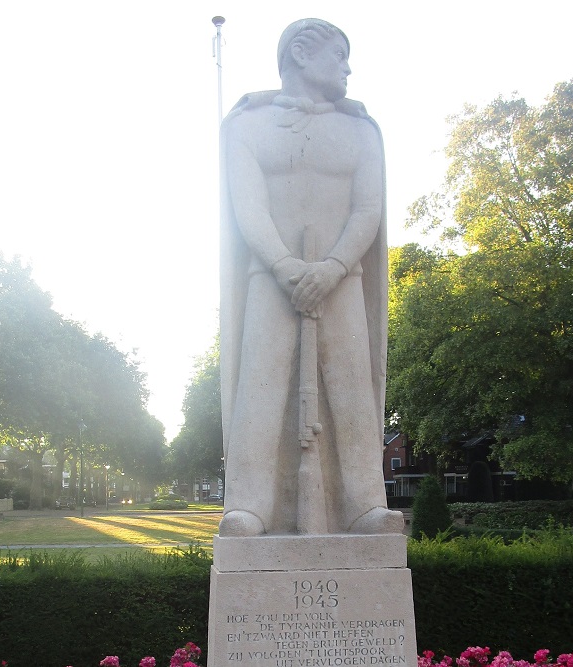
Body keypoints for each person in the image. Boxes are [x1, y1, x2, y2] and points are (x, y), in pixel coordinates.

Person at [219, 18, 404, 537]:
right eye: (339, 55)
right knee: (261, 385)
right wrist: (285, 268)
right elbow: (247, 208)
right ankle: (251, 506)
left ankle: (365, 503)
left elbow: (368, 209)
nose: (348, 68)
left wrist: (332, 268)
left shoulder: (361, 130)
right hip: (271, 276)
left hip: (341, 277)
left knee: (351, 386)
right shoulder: (246, 127)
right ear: (301, 54)